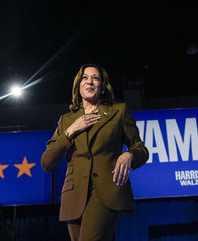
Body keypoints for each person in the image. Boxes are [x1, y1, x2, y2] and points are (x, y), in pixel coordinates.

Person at [41, 64, 149, 240]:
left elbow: (140, 149)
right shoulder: (66, 120)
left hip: (105, 191)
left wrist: (129, 154)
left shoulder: (118, 111)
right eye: (85, 77)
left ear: (102, 86)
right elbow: (47, 162)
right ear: (78, 85)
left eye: (95, 78)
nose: (89, 82)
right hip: (74, 195)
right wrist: (70, 132)